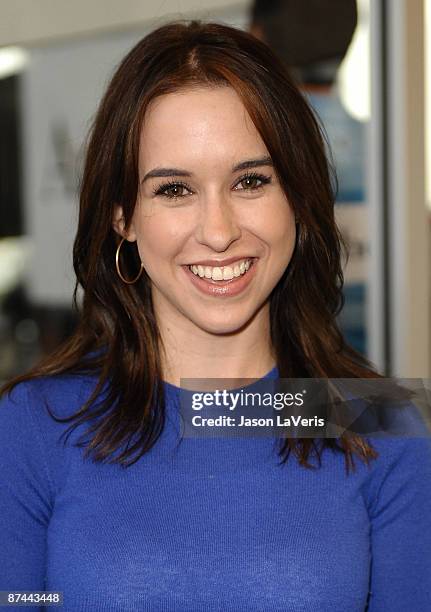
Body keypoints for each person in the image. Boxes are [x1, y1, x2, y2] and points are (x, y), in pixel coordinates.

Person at [0, 20, 430, 612]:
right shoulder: (33, 425)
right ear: (123, 216)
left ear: (297, 198)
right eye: (174, 190)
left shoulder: (384, 422)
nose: (220, 232)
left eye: (251, 181)